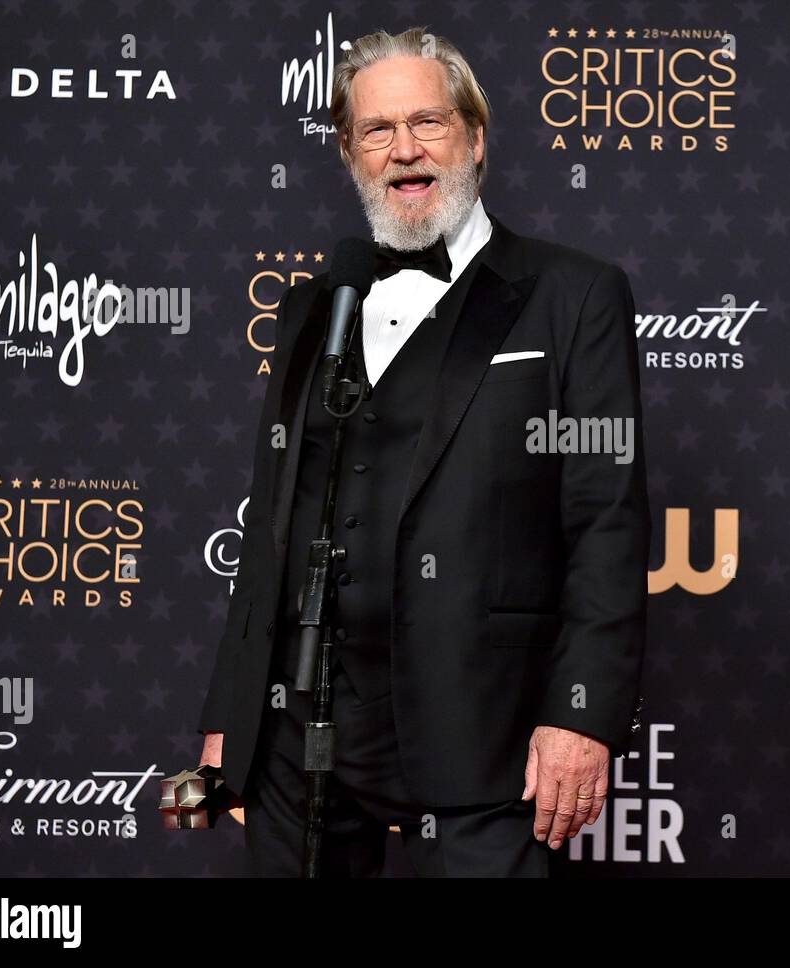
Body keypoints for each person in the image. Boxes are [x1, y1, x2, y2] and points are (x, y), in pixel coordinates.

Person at [194, 25, 649, 877]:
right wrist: (233, 708)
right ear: (349, 153)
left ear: (475, 138)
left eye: (428, 123)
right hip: (304, 729)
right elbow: (273, 528)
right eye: (377, 130)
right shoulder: (312, 308)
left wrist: (582, 717)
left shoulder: (572, 295)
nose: (405, 148)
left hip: (488, 726)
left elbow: (606, 524)